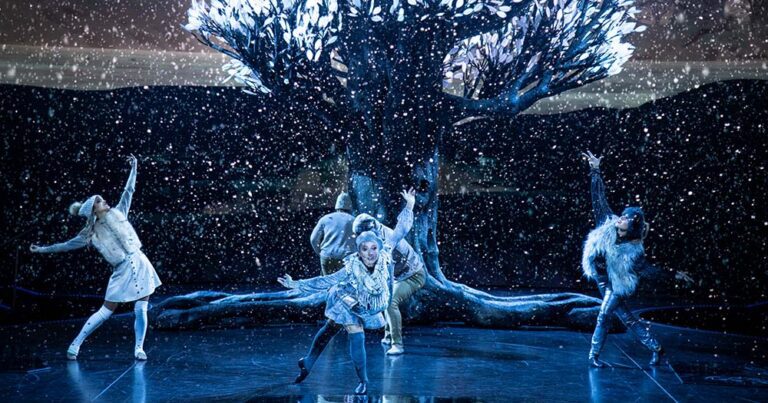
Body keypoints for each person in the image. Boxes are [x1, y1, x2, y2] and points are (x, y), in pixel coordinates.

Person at [278, 188, 416, 395]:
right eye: (364, 249)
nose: (370, 253)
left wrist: (410, 205)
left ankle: (308, 361)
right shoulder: (353, 265)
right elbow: (327, 280)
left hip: (372, 301)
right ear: (358, 248)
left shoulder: (386, 252)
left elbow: (402, 228)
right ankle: (363, 381)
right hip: (348, 299)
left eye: (373, 248)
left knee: (330, 328)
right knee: (355, 333)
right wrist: (296, 284)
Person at [30, 155, 162, 361]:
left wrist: (134, 167)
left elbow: (129, 190)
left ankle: (139, 348)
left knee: (141, 307)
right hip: (121, 269)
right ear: (93, 210)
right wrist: (42, 250)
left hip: (140, 261)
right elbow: (66, 245)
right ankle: (76, 343)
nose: (104, 201)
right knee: (106, 311)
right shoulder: (90, 233)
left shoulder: (119, 212)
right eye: (99, 201)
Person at [581, 150, 667, 368]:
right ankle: (656, 347)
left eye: (627, 218)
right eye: (623, 215)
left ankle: (593, 356)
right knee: (627, 318)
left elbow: (647, 269)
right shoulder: (607, 224)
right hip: (602, 280)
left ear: (632, 226)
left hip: (617, 285)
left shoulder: (633, 250)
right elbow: (598, 198)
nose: (622, 218)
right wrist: (595, 170)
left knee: (604, 316)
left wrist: (673, 274)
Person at [352, 213, 426, 355]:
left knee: (390, 302)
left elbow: (386, 273)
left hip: (413, 276)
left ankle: (397, 344)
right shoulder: (376, 236)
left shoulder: (387, 243)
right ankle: (388, 336)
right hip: (398, 275)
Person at [310, 192, 356, 275]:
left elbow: (313, 239)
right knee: (345, 282)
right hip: (346, 258)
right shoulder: (354, 220)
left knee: (327, 281)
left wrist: (320, 253)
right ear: (350, 206)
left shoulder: (325, 219)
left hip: (327, 256)